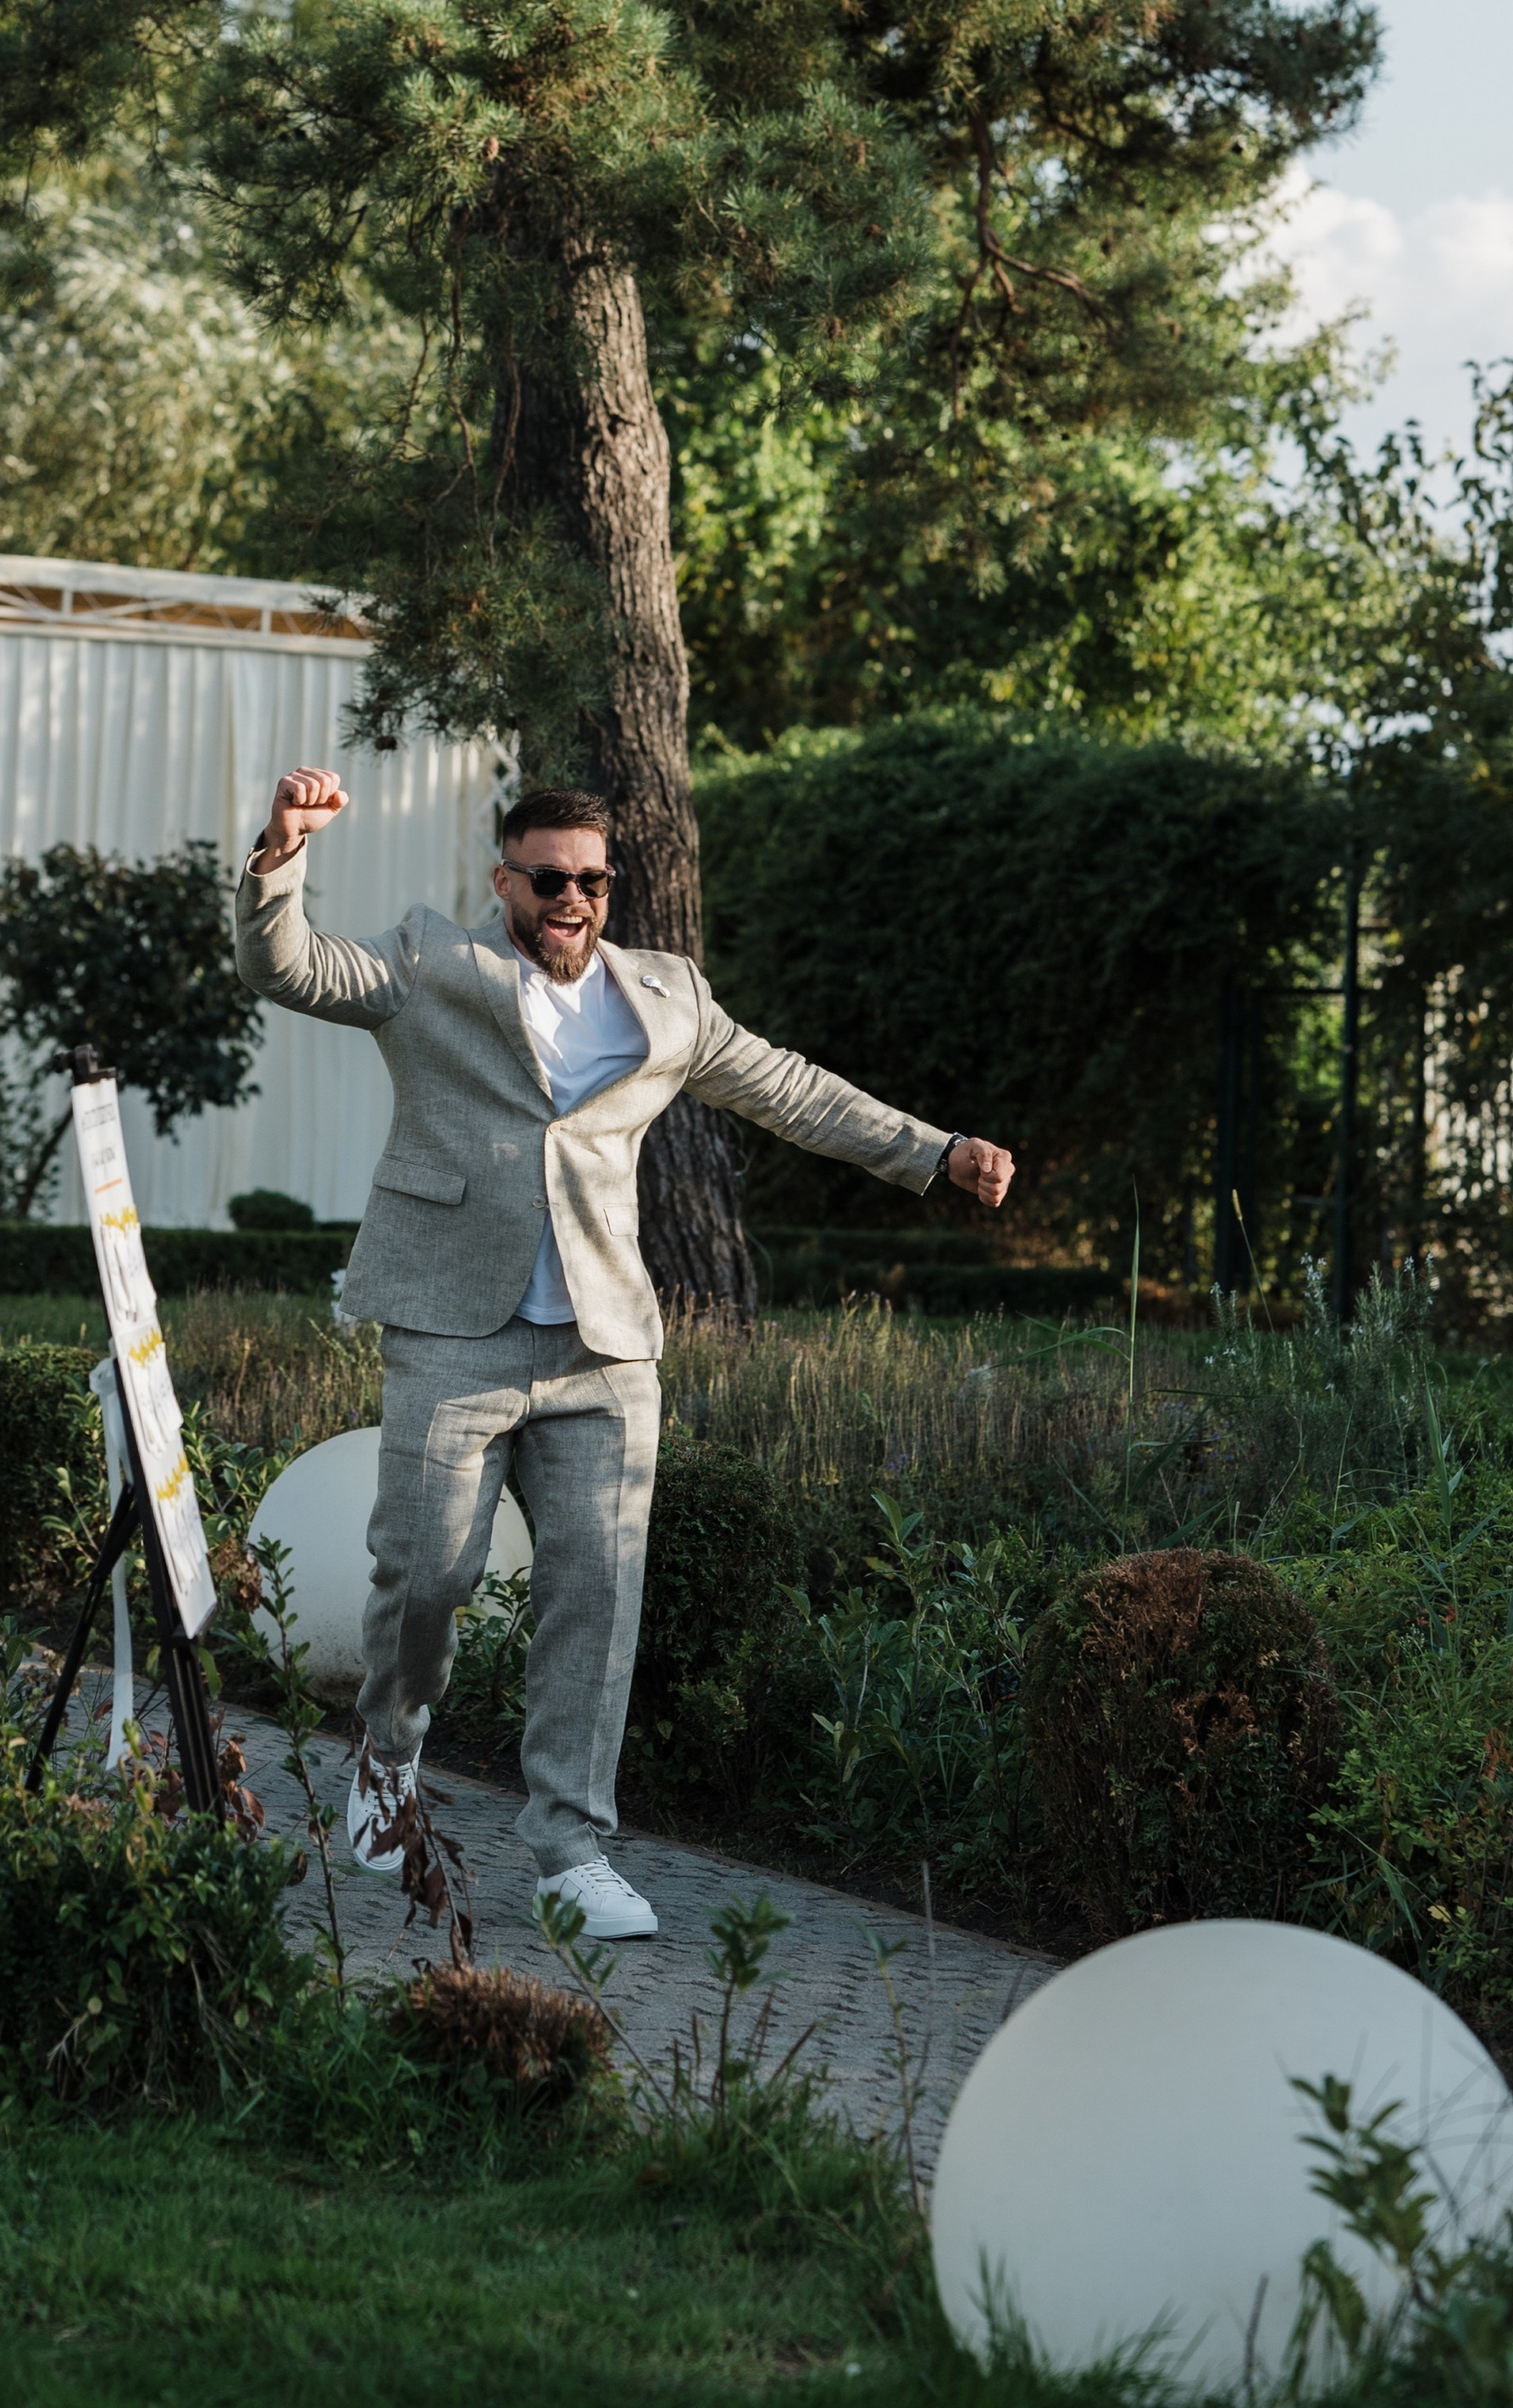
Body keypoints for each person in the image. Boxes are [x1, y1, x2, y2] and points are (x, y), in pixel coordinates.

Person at [235, 767, 1014, 1940]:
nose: (571, 898)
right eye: (548, 878)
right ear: (507, 880)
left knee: (598, 1592)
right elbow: (287, 967)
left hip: (605, 1347)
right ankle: (388, 1765)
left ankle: (568, 1846)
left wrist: (935, 1149)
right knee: (430, 1579)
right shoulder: (432, 965)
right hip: (455, 1327)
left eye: (591, 879)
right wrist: (279, 855)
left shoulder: (667, 996)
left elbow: (790, 1090)